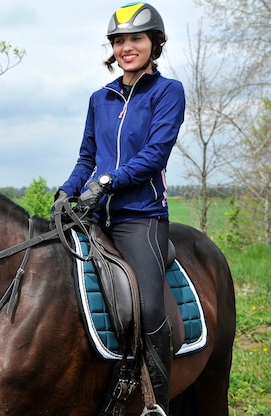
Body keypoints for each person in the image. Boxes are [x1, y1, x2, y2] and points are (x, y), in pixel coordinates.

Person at [52, 3, 185, 415]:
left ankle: (155, 403)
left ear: (154, 44)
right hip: (95, 216)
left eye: (136, 39)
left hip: (140, 218)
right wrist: (67, 190)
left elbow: (154, 154)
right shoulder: (101, 98)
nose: (126, 47)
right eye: (119, 41)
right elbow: (87, 156)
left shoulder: (168, 92)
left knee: (146, 307)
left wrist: (107, 183)